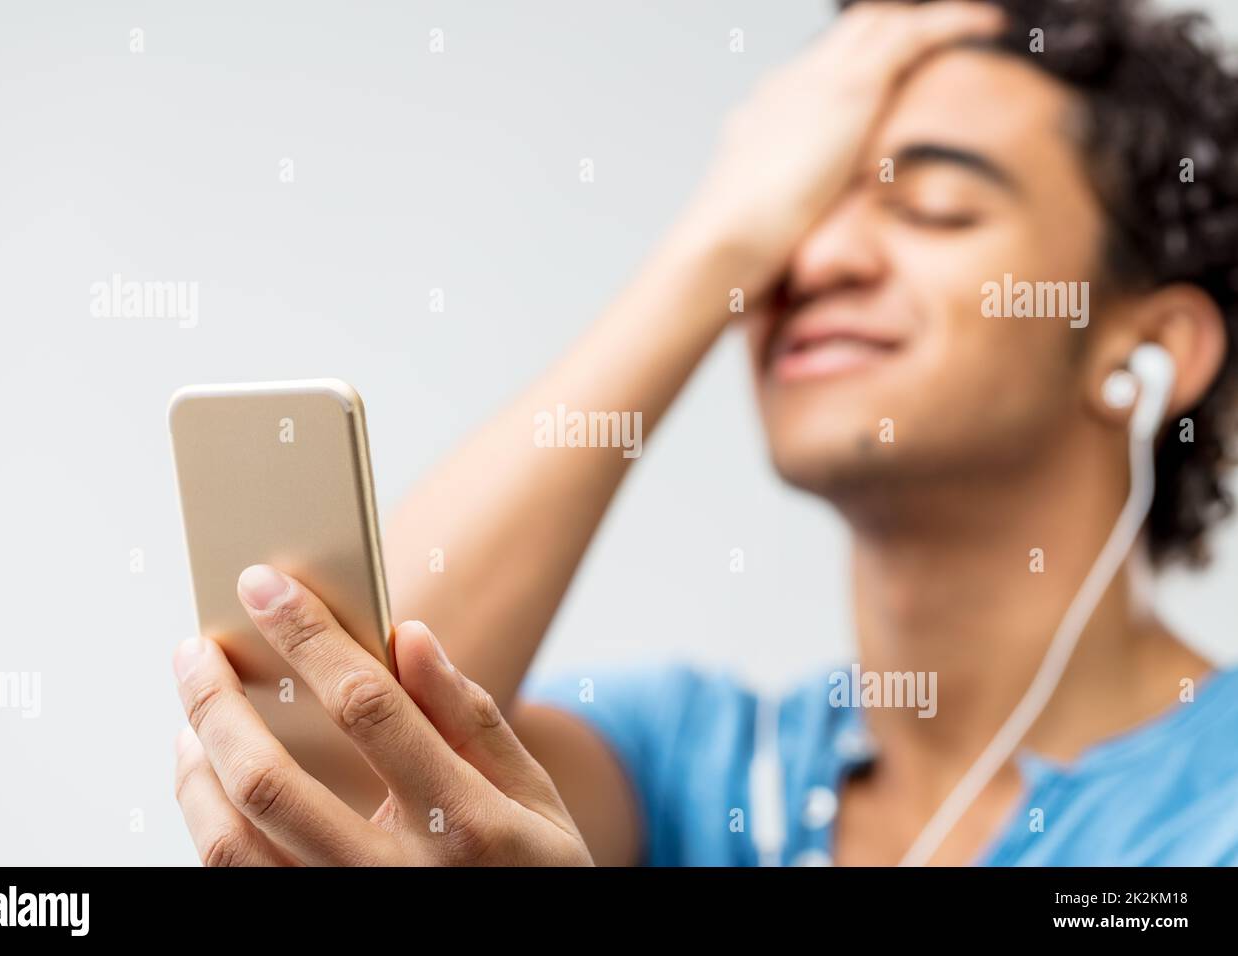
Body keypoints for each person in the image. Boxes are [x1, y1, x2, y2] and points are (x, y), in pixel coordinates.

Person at [170, 0, 1238, 866]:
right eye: (794, 214)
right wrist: (718, 242)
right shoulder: (695, 765)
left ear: (1148, 346)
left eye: (937, 208)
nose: (811, 265)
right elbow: (326, 756)